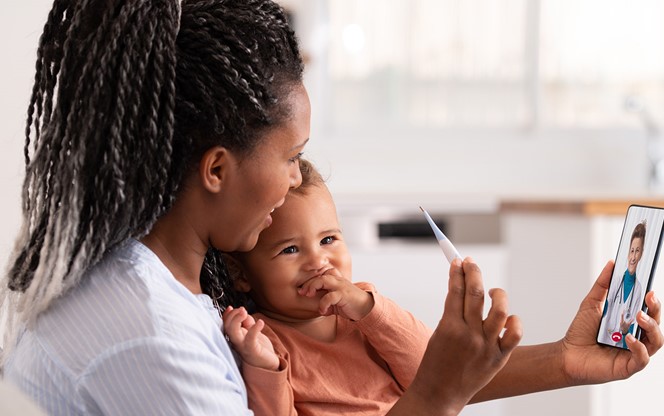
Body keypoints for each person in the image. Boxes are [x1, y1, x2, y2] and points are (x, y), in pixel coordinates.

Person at [0, 0, 661, 415]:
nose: (295, 185)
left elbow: (402, 376)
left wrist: (565, 363)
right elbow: (421, 387)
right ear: (217, 168)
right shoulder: (156, 340)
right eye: (291, 157)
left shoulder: (158, 280)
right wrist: (436, 396)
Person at [222, 159, 446, 414]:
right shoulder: (265, 340)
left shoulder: (365, 311)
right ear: (240, 274)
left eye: (328, 239)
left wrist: (369, 310)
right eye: (290, 249)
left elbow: (433, 374)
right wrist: (267, 369)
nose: (318, 261)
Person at [598, 221, 646, 348]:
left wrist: (625, 331)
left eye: (637, 251)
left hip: (619, 349)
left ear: (641, 254)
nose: (633, 257)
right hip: (602, 340)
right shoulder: (615, 280)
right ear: (628, 253)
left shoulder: (639, 290)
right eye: (632, 251)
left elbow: (630, 338)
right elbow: (602, 311)